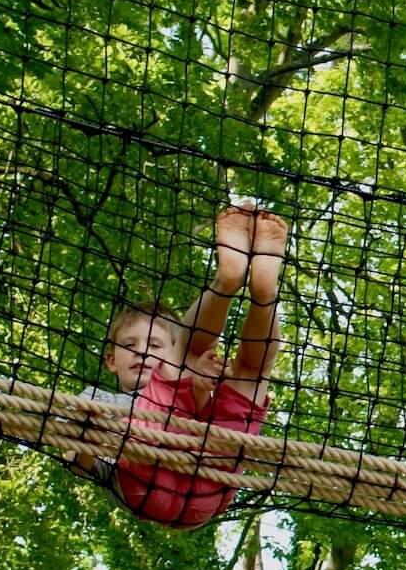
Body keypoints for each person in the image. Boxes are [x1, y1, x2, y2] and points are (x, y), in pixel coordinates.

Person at [72, 203, 289, 529]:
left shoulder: (165, 385)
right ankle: (245, 286)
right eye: (130, 345)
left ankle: (250, 285)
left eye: (155, 345)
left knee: (240, 373)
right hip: (150, 479)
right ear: (111, 360)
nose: (143, 353)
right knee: (236, 367)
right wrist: (86, 437)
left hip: (203, 471)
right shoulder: (95, 401)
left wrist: (201, 387)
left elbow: (194, 424)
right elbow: (77, 462)